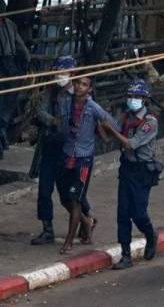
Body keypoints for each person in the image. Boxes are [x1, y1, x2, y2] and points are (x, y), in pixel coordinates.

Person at [31, 56, 92, 245]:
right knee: (44, 190)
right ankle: (47, 229)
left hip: (69, 150)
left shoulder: (78, 94)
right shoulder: (49, 91)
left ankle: (87, 219)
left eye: (63, 72)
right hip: (50, 146)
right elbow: (39, 111)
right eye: (57, 72)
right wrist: (52, 121)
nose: (60, 76)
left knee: (70, 192)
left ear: (71, 73)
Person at [101, 79, 159, 270]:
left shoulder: (150, 121)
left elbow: (130, 144)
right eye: (130, 96)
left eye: (137, 97)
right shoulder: (125, 116)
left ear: (144, 99)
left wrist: (112, 130)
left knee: (139, 213)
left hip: (142, 170)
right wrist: (102, 125)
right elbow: (110, 137)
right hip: (126, 168)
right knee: (123, 213)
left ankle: (150, 234)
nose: (132, 100)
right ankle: (125, 254)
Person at [56, 75, 115, 254]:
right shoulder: (66, 103)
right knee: (63, 197)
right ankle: (87, 221)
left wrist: (103, 130)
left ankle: (69, 241)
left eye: (84, 85)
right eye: (78, 83)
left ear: (89, 89)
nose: (80, 87)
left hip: (84, 159)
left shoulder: (92, 107)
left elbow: (111, 122)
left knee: (76, 200)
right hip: (67, 154)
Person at [0, 10, 30, 159]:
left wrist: (26, 58)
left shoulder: (10, 25)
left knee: (8, 103)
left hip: (9, 65)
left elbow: (20, 45)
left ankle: (2, 133)